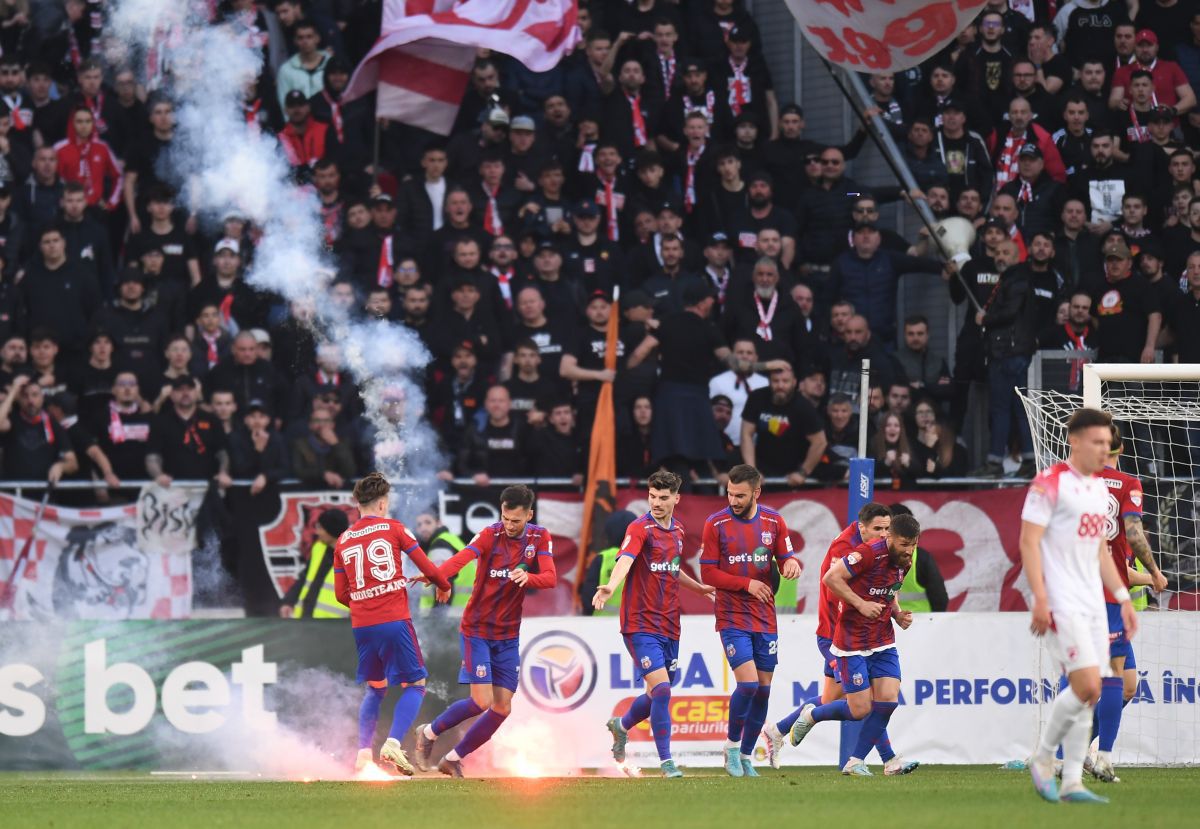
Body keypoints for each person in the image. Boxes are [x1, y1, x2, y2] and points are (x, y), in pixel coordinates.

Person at [1020, 407, 1138, 804]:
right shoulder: (1049, 483)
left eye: (1108, 443)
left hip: (1093, 600)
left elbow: (1100, 554)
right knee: (1089, 685)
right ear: (1075, 441)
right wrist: (1039, 596)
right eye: (1097, 442)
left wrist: (1123, 597)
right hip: (1060, 600)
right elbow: (1029, 542)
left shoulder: (1097, 490)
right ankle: (1042, 759)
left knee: (1092, 691)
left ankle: (1071, 781)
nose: (1105, 450)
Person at [414, 485, 556, 777]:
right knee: (482, 701)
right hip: (477, 628)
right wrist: (436, 576)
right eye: (505, 517)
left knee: (502, 708)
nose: (510, 524)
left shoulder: (540, 537)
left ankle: (453, 758)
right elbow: (462, 557)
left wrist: (528, 577)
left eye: (516, 520)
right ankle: (428, 732)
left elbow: (551, 578)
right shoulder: (491, 534)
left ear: (529, 514)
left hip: (508, 635)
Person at [593, 468, 715, 778]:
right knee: (661, 689)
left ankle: (620, 726)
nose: (656, 503)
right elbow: (626, 560)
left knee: (656, 694)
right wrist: (612, 585)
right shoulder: (640, 528)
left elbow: (671, 569)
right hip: (639, 624)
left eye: (663, 497)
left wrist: (698, 587)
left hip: (670, 624)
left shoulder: (677, 531)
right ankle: (666, 762)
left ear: (677, 498)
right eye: (652, 496)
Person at [335, 472, 452, 777]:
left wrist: (364, 604)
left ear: (356, 503)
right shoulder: (395, 528)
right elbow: (428, 566)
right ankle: (392, 743)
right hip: (393, 620)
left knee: (375, 690)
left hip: (362, 626)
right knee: (415, 685)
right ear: (383, 503)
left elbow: (340, 594)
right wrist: (443, 584)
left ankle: (363, 755)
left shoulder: (343, 540)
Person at [786, 513, 921, 776]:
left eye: (913, 544)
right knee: (860, 709)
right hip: (851, 640)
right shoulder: (867, 553)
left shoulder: (904, 559)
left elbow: (889, 589)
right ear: (889, 537)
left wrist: (897, 614)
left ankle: (856, 760)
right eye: (905, 544)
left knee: (889, 700)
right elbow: (831, 578)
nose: (909, 551)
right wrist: (860, 604)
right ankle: (812, 715)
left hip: (882, 639)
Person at [698, 464, 800, 777]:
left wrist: (791, 563)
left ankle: (745, 755)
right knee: (748, 683)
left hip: (764, 615)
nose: (733, 500)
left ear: (756, 492)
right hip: (732, 614)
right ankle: (730, 746)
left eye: (740, 495)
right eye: (729, 493)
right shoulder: (715, 524)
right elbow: (708, 573)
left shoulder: (774, 520)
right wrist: (747, 584)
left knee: (764, 690)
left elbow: (785, 557)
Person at [1090, 424, 1169, 782]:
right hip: (1104, 597)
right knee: (1107, 678)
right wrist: (1154, 574)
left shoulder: (1067, 482)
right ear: (1118, 450)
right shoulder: (1124, 485)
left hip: (1085, 595)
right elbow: (1126, 557)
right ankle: (1087, 754)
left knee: (1127, 685)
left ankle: (1074, 751)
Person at [740, 364, 827, 485]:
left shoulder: (803, 406)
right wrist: (751, 470)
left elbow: (820, 442)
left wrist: (803, 472)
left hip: (793, 467)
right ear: (769, 382)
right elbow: (746, 433)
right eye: (776, 381)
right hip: (761, 462)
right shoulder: (757, 398)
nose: (780, 385)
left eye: (785, 381)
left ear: (794, 382)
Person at [0, 374, 77, 483]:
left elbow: (73, 462)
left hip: (43, 495)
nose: (30, 400)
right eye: (25, 396)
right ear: (18, 399)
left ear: (42, 397)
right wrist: (13, 391)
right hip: (15, 494)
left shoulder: (52, 423)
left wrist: (60, 466)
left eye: (35, 395)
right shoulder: (12, 419)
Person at [279, 508, 352, 619]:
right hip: (306, 620)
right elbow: (304, 578)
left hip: (335, 627)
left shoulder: (354, 558)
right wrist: (289, 601)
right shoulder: (318, 548)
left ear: (331, 531)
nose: (317, 532)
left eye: (320, 528)